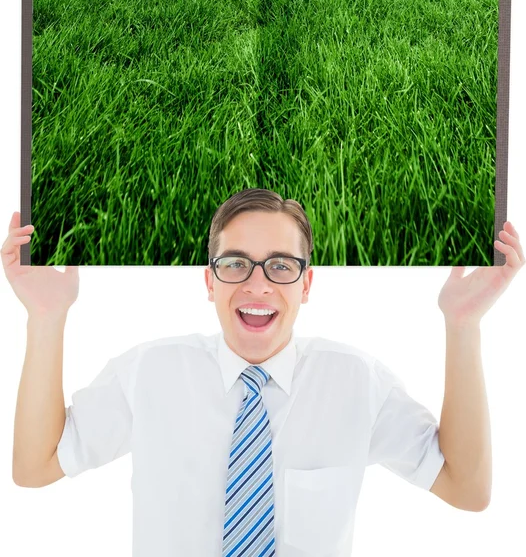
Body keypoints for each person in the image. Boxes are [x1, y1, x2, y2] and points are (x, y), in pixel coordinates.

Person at [4, 188, 524, 557]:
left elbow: (467, 488)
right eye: (235, 264)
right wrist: (46, 318)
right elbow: (36, 466)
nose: (257, 284)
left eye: (280, 265)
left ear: (307, 283)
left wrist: (464, 324)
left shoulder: (356, 382)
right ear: (209, 282)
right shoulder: (150, 371)